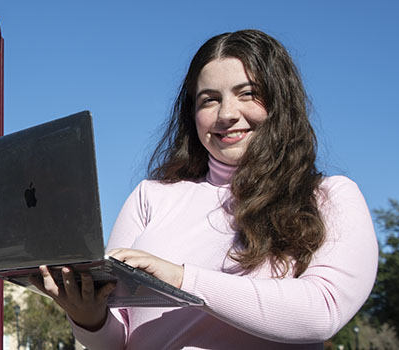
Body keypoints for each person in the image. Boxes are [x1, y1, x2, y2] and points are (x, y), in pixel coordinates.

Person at [31, 29, 378, 348]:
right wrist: (88, 318)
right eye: (209, 99)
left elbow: (322, 313)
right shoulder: (150, 196)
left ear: (281, 102)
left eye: (248, 94)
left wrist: (181, 280)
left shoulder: (330, 196)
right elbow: (116, 340)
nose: (227, 113)